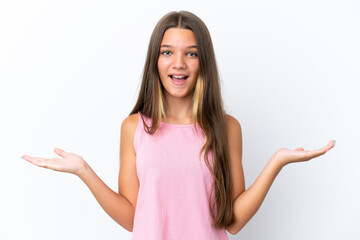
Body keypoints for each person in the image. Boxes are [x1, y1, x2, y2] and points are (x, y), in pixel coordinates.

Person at [21, 11, 335, 240]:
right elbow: (133, 218)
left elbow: (234, 222)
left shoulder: (227, 128)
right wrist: (84, 172)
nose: (179, 63)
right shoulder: (134, 127)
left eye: (191, 53)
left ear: (203, 62)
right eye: (167, 52)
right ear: (155, 62)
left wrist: (276, 162)